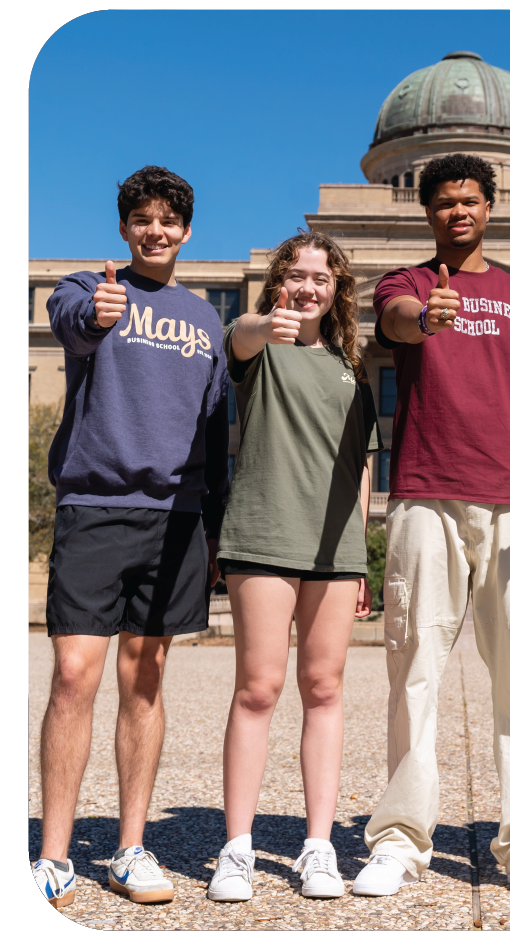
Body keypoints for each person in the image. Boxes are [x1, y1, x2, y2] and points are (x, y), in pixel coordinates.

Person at [352, 153, 510, 900]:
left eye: (470, 200)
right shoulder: (407, 284)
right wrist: (426, 316)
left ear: (490, 205)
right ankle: (401, 841)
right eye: (444, 203)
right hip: (425, 495)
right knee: (414, 670)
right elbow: (394, 322)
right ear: (428, 212)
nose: (458, 213)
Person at [33, 166, 229, 907]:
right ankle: (54, 852)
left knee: (143, 684)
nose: (155, 230)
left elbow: (215, 433)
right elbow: (72, 322)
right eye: (141, 219)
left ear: (185, 231)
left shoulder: (206, 320)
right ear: (124, 229)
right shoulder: (88, 287)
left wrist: (214, 527)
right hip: (96, 506)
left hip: (176, 518)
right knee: (75, 677)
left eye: (168, 220)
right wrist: (100, 316)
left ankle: (129, 847)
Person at [205, 231, 382, 902]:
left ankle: (318, 847)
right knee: (258, 688)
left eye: (321, 278)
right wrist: (263, 322)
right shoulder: (262, 349)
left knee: (324, 690)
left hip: (333, 550)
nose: (309, 286)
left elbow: (362, 467)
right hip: (261, 536)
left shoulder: (350, 368)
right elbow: (238, 338)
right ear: (281, 281)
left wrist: (361, 554)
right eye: (298, 274)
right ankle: (237, 848)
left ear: (338, 291)